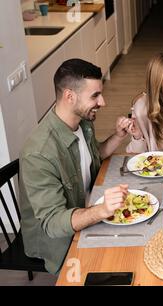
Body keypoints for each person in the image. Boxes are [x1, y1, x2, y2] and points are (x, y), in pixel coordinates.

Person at [19, 59, 132, 274]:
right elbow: (53, 223)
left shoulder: (81, 122)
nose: (103, 102)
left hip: (88, 206)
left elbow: (92, 156)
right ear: (69, 96)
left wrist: (118, 137)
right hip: (60, 241)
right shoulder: (39, 154)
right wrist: (101, 211)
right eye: (95, 96)